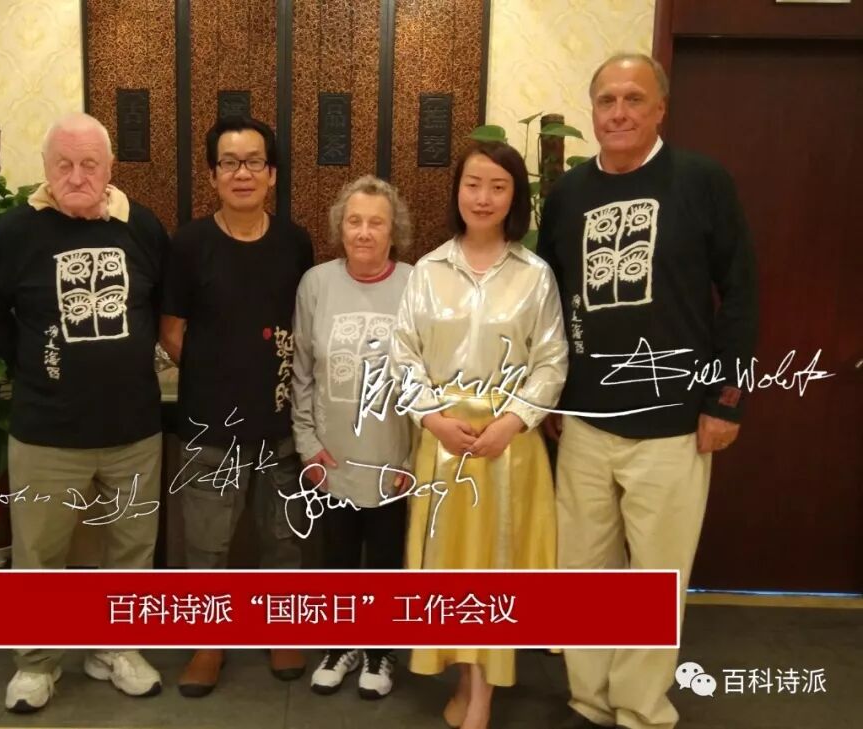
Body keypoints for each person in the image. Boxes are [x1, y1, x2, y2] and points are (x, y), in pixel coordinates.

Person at [537, 53, 759, 729]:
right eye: (607, 99)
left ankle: (639, 708)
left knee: (656, 576)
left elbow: (741, 293)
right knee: (583, 570)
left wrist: (727, 399)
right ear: (593, 110)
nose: (619, 112)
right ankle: (589, 699)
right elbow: (551, 303)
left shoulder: (701, 181)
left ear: (661, 108)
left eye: (634, 98)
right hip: (585, 420)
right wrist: (551, 397)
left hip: (675, 422)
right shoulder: (568, 194)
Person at [0, 112, 168, 712]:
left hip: (134, 429)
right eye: (65, 164)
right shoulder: (15, 233)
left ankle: (117, 649)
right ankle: (36, 664)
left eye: (90, 164)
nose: (77, 176)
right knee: (39, 555)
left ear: (111, 169)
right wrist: (39, 370)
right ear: (46, 168)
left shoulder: (142, 227)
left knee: (131, 551)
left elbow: (163, 308)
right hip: (46, 432)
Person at [391, 141, 568, 729]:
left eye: (498, 185)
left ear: (514, 196)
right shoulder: (428, 272)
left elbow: (551, 362)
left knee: (497, 571)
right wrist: (434, 419)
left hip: (508, 448)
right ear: (457, 191)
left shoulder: (534, 275)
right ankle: (467, 681)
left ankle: (482, 699)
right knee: (453, 574)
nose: (484, 197)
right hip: (444, 445)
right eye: (473, 184)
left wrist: (512, 423)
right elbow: (403, 357)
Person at [159, 115, 314, 697]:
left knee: (283, 536)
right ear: (212, 174)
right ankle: (208, 643)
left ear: (271, 174)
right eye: (229, 162)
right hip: (210, 423)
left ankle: (282, 628)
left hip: (279, 420)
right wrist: (218, 373)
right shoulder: (190, 243)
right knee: (206, 542)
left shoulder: (294, 242)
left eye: (253, 162)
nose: (241, 173)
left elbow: (302, 324)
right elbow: (171, 330)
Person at [291, 175, 414, 700]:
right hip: (331, 454)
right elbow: (301, 371)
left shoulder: (416, 283)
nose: (364, 232)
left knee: (385, 559)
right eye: (354, 221)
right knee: (337, 557)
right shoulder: (316, 284)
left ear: (393, 231)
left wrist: (413, 457)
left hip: (392, 456)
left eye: (376, 223)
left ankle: (380, 651)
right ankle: (339, 645)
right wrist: (307, 444)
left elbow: (426, 376)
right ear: (340, 228)